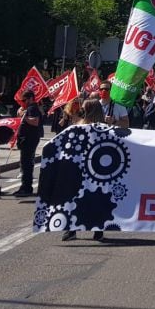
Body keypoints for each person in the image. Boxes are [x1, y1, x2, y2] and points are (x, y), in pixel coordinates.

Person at [62, 100, 106, 242]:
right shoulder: (106, 128)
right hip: (99, 171)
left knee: (76, 198)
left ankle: (71, 229)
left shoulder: (79, 127)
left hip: (80, 169)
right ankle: (98, 230)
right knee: (97, 199)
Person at [14, 89, 43, 197]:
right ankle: (25, 186)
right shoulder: (29, 108)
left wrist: (24, 117)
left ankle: (26, 188)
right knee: (25, 163)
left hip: (29, 139)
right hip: (26, 139)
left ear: (30, 98)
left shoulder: (33, 108)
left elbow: (35, 121)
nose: (23, 102)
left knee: (26, 164)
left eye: (25, 100)